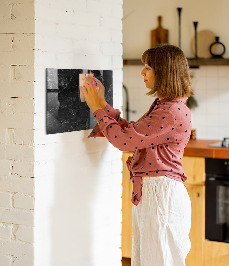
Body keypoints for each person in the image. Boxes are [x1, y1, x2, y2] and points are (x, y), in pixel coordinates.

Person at [81, 44, 193, 266]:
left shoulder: (170, 111)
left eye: (148, 67)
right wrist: (102, 103)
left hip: (161, 195)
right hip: (156, 193)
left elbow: (124, 141)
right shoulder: (166, 106)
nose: (142, 72)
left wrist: (96, 107)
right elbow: (132, 133)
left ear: (164, 72)